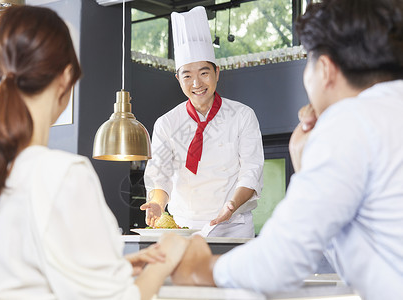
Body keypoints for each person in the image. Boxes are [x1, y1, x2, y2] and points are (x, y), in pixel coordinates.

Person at [170, 0, 403, 299]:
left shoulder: (350, 122)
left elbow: (280, 261)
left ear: (326, 69)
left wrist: (202, 268)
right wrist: (304, 163)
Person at [0, 6, 188, 300]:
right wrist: (168, 256)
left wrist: (114, 269)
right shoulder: (63, 174)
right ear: (65, 78)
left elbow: (16, 276)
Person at [141, 6, 264, 238]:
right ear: (178, 79)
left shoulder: (242, 115)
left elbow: (251, 170)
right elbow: (160, 175)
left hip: (234, 225)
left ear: (217, 72)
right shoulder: (167, 123)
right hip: (184, 227)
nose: (196, 82)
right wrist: (157, 204)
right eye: (187, 75)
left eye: (204, 73)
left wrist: (231, 205)